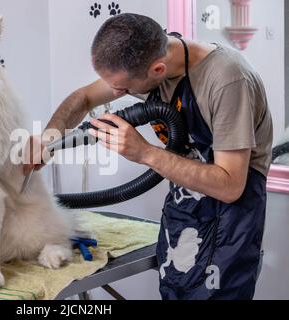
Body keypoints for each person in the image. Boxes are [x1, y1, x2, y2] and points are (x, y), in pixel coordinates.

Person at [23, 13, 273, 300]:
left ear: (157, 69)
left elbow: (230, 186)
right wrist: (48, 140)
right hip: (183, 213)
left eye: (124, 89)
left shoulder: (227, 81)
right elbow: (84, 98)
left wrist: (144, 153)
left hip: (230, 224)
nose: (116, 93)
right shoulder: (151, 63)